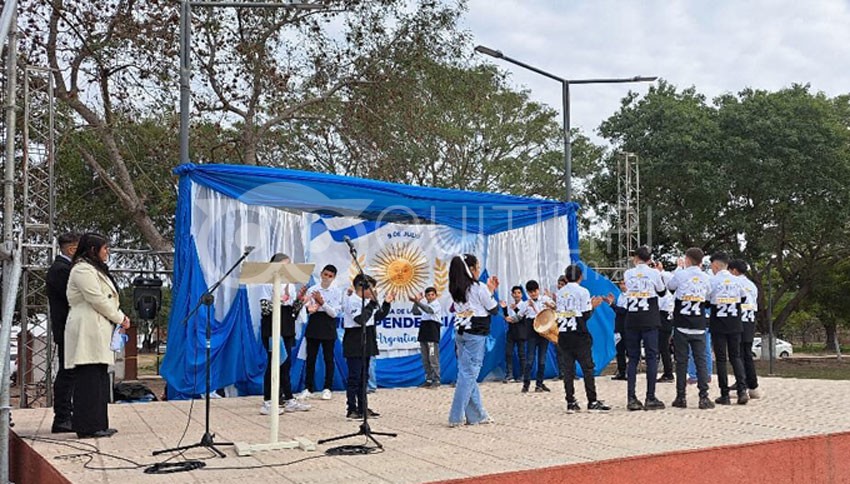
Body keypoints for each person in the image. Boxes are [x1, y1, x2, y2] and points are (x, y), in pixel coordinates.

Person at [65, 233, 130, 438]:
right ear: (93, 250)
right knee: (88, 379)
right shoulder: (82, 269)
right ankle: (87, 426)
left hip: (99, 327)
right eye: (104, 248)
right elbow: (97, 299)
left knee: (100, 377)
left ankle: (99, 423)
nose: (107, 252)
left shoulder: (94, 269)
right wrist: (120, 317)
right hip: (87, 327)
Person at [448, 254, 498, 427]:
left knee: (466, 373)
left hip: (461, 331)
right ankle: (455, 416)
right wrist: (491, 292)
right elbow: (493, 309)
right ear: (470, 269)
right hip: (475, 334)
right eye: (477, 267)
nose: (478, 270)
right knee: (469, 374)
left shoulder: (455, 288)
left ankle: (477, 415)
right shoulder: (478, 287)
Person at [258, 253, 311, 415]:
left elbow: (292, 310)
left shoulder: (290, 284)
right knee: (274, 362)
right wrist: (280, 300)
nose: (288, 268)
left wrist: (300, 300)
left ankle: (288, 399)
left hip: (287, 325)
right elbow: (265, 308)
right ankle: (268, 400)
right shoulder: (267, 283)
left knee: (286, 363)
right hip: (272, 326)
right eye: (285, 264)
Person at [667, 248, 715, 410]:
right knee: (700, 360)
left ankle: (681, 396)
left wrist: (679, 269)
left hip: (682, 323)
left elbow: (670, 287)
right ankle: (704, 396)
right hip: (699, 324)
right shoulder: (706, 278)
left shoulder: (681, 275)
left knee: (681, 361)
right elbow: (708, 297)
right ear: (702, 261)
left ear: (687, 259)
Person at [558, 265, 610, 413]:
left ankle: (570, 401)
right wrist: (593, 306)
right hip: (579, 334)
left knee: (568, 370)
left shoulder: (561, 292)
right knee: (588, 368)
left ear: (566, 277)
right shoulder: (583, 292)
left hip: (564, 333)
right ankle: (592, 401)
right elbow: (585, 315)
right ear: (580, 277)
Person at [623, 246, 666, 411]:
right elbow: (662, 292)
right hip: (649, 317)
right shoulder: (653, 273)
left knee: (632, 358)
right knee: (651, 357)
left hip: (632, 317)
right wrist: (657, 271)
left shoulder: (628, 274)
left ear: (635, 258)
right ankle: (650, 396)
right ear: (649, 260)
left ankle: (631, 397)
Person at [343, 274, 392, 419]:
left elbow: (375, 317)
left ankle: (363, 407)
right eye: (371, 288)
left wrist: (386, 304)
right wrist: (371, 303)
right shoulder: (353, 301)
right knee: (355, 376)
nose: (373, 291)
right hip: (354, 339)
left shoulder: (367, 302)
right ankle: (351, 408)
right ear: (361, 287)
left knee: (364, 376)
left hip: (368, 337)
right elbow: (360, 319)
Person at [46, 232, 79, 434]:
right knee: (67, 373)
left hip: (70, 328)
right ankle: (62, 416)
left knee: (71, 373)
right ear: (71, 249)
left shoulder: (64, 268)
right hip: (67, 328)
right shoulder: (61, 270)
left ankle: (68, 414)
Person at [708, 252, 749, 405]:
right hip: (735, 323)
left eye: (712, 265)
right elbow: (743, 298)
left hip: (718, 323)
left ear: (716, 265)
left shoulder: (712, 281)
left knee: (720, 359)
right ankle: (742, 391)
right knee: (735, 357)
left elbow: (706, 301)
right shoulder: (737, 281)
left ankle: (724, 394)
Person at [299, 264, 342, 400]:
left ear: (334, 278)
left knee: (328, 358)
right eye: (325, 274)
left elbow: (334, 313)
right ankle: (308, 388)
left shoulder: (336, 291)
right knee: (310, 357)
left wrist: (322, 303)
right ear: (321, 273)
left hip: (328, 325)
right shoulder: (313, 289)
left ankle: (328, 388)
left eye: (330, 276)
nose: (327, 278)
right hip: (314, 324)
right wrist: (310, 306)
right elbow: (308, 307)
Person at [729, 259, 762, 399]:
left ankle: (742, 384)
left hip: (738, 320)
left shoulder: (735, 283)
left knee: (737, 354)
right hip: (750, 320)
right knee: (746, 354)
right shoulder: (752, 285)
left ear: (734, 270)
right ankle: (752, 384)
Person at [518, 280, 555, 393]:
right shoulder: (525, 303)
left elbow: (555, 308)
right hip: (531, 331)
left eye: (535, 291)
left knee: (542, 360)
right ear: (528, 293)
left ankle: (539, 383)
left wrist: (550, 305)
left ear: (538, 290)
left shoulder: (545, 299)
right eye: (530, 292)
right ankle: (526, 384)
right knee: (530, 359)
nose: (533, 294)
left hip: (544, 331)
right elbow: (519, 316)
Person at [411, 287, 442, 388]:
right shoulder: (425, 305)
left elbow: (429, 311)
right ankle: (428, 379)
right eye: (428, 295)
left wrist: (417, 302)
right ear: (425, 296)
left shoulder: (436, 304)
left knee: (433, 357)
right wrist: (417, 302)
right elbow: (415, 312)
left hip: (432, 334)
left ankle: (436, 379)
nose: (430, 297)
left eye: (432, 295)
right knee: (425, 358)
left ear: (435, 295)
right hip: (424, 333)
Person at [500, 285, 527, 383]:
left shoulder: (524, 305)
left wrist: (516, 309)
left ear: (522, 294)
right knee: (508, 353)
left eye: (519, 293)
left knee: (522, 354)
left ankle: (523, 375)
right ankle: (509, 375)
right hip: (511, 331)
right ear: (512, 294)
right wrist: (504, 309)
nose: (516, 295)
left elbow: (522, 317)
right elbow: (508, 318)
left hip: (521, 331)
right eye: (515, 293)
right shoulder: (511, 305)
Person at [657, 264, 675, 383]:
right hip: (668, 320)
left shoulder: (664, 295)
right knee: (664, 348)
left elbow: (658, 307)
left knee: (663, 348)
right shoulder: (671, 294)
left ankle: (668, 373)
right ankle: (668, 371)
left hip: (663, 320)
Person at [607, 280, 628, 381]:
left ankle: (628, 372)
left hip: (627, 326)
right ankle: (621, 371)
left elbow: (623, 311)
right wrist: (613, 303)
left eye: (624, 283)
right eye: (620, 283)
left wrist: (612, 305)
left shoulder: (629, 296)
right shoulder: (621, 296)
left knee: (629, 350)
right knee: (620, 351)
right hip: (619, 326)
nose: (622, 285)